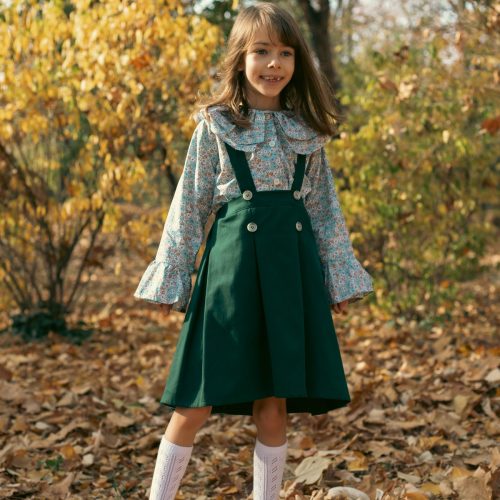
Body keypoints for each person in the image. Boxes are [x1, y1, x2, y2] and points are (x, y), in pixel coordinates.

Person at [134, 2, 374, 499]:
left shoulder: (306, 132)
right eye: (261, 51)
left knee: (273, 404)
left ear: (297, 62)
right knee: (195, 399)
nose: (273, 63)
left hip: (291, 274)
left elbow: (324, 210)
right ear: (240, 58)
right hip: (231, 276)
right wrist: (172, 276)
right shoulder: (216, 126)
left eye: (285, 53)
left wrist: (338, 277)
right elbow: (189, 204)